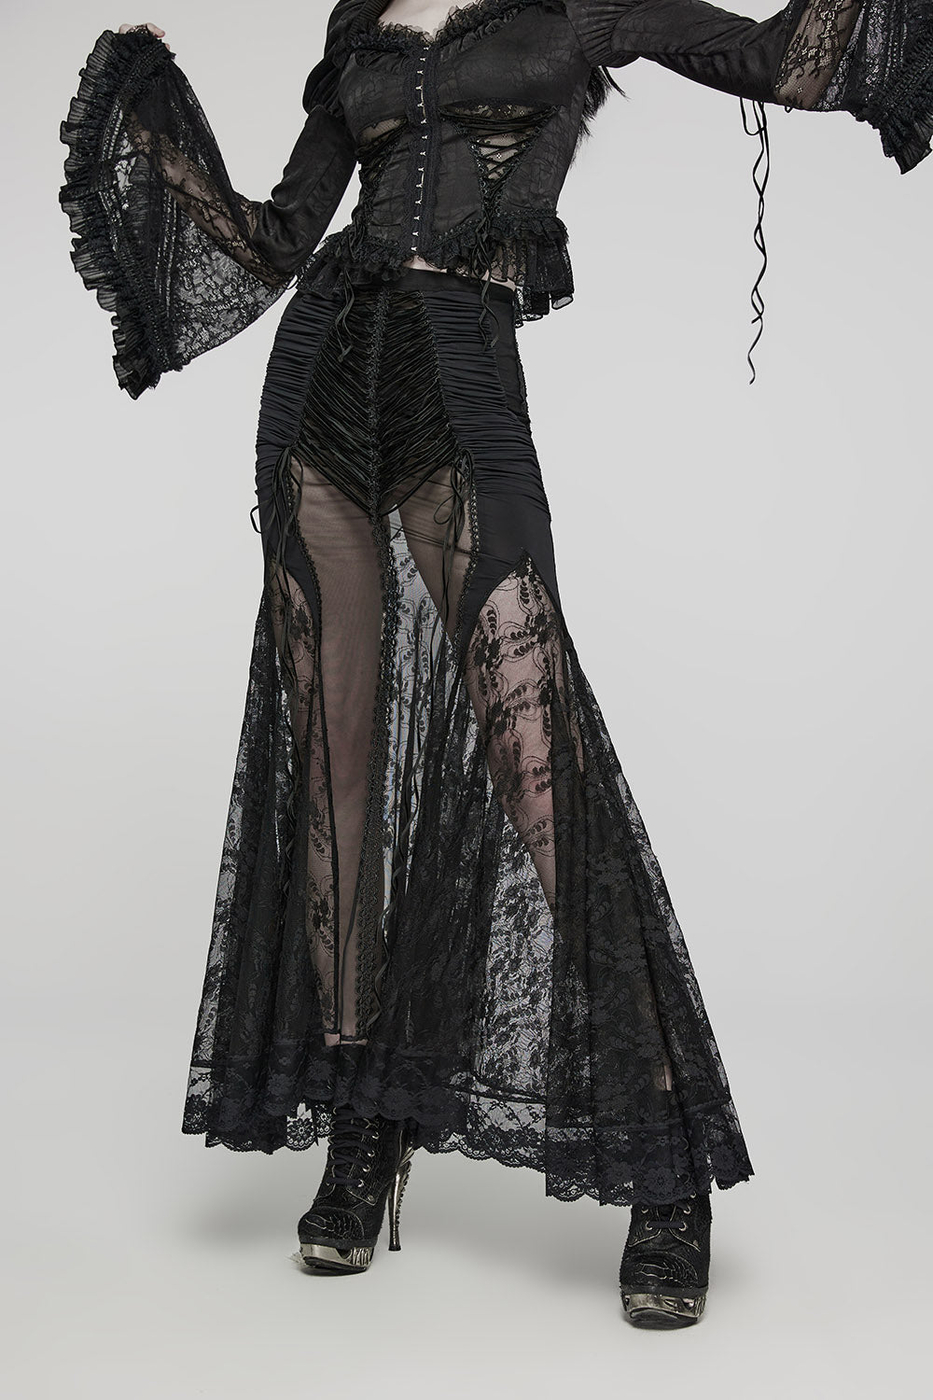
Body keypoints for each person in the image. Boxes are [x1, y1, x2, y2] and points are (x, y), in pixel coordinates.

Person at [60, 0, 930, 1329]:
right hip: (321, 380)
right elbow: (281, 237)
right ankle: (363, 1122)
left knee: (539, 766)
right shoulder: (360, 19)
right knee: (334, 764)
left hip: (459, 378)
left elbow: (772, 59)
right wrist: (156, 139)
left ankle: (663, 1164)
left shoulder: (581, 9)